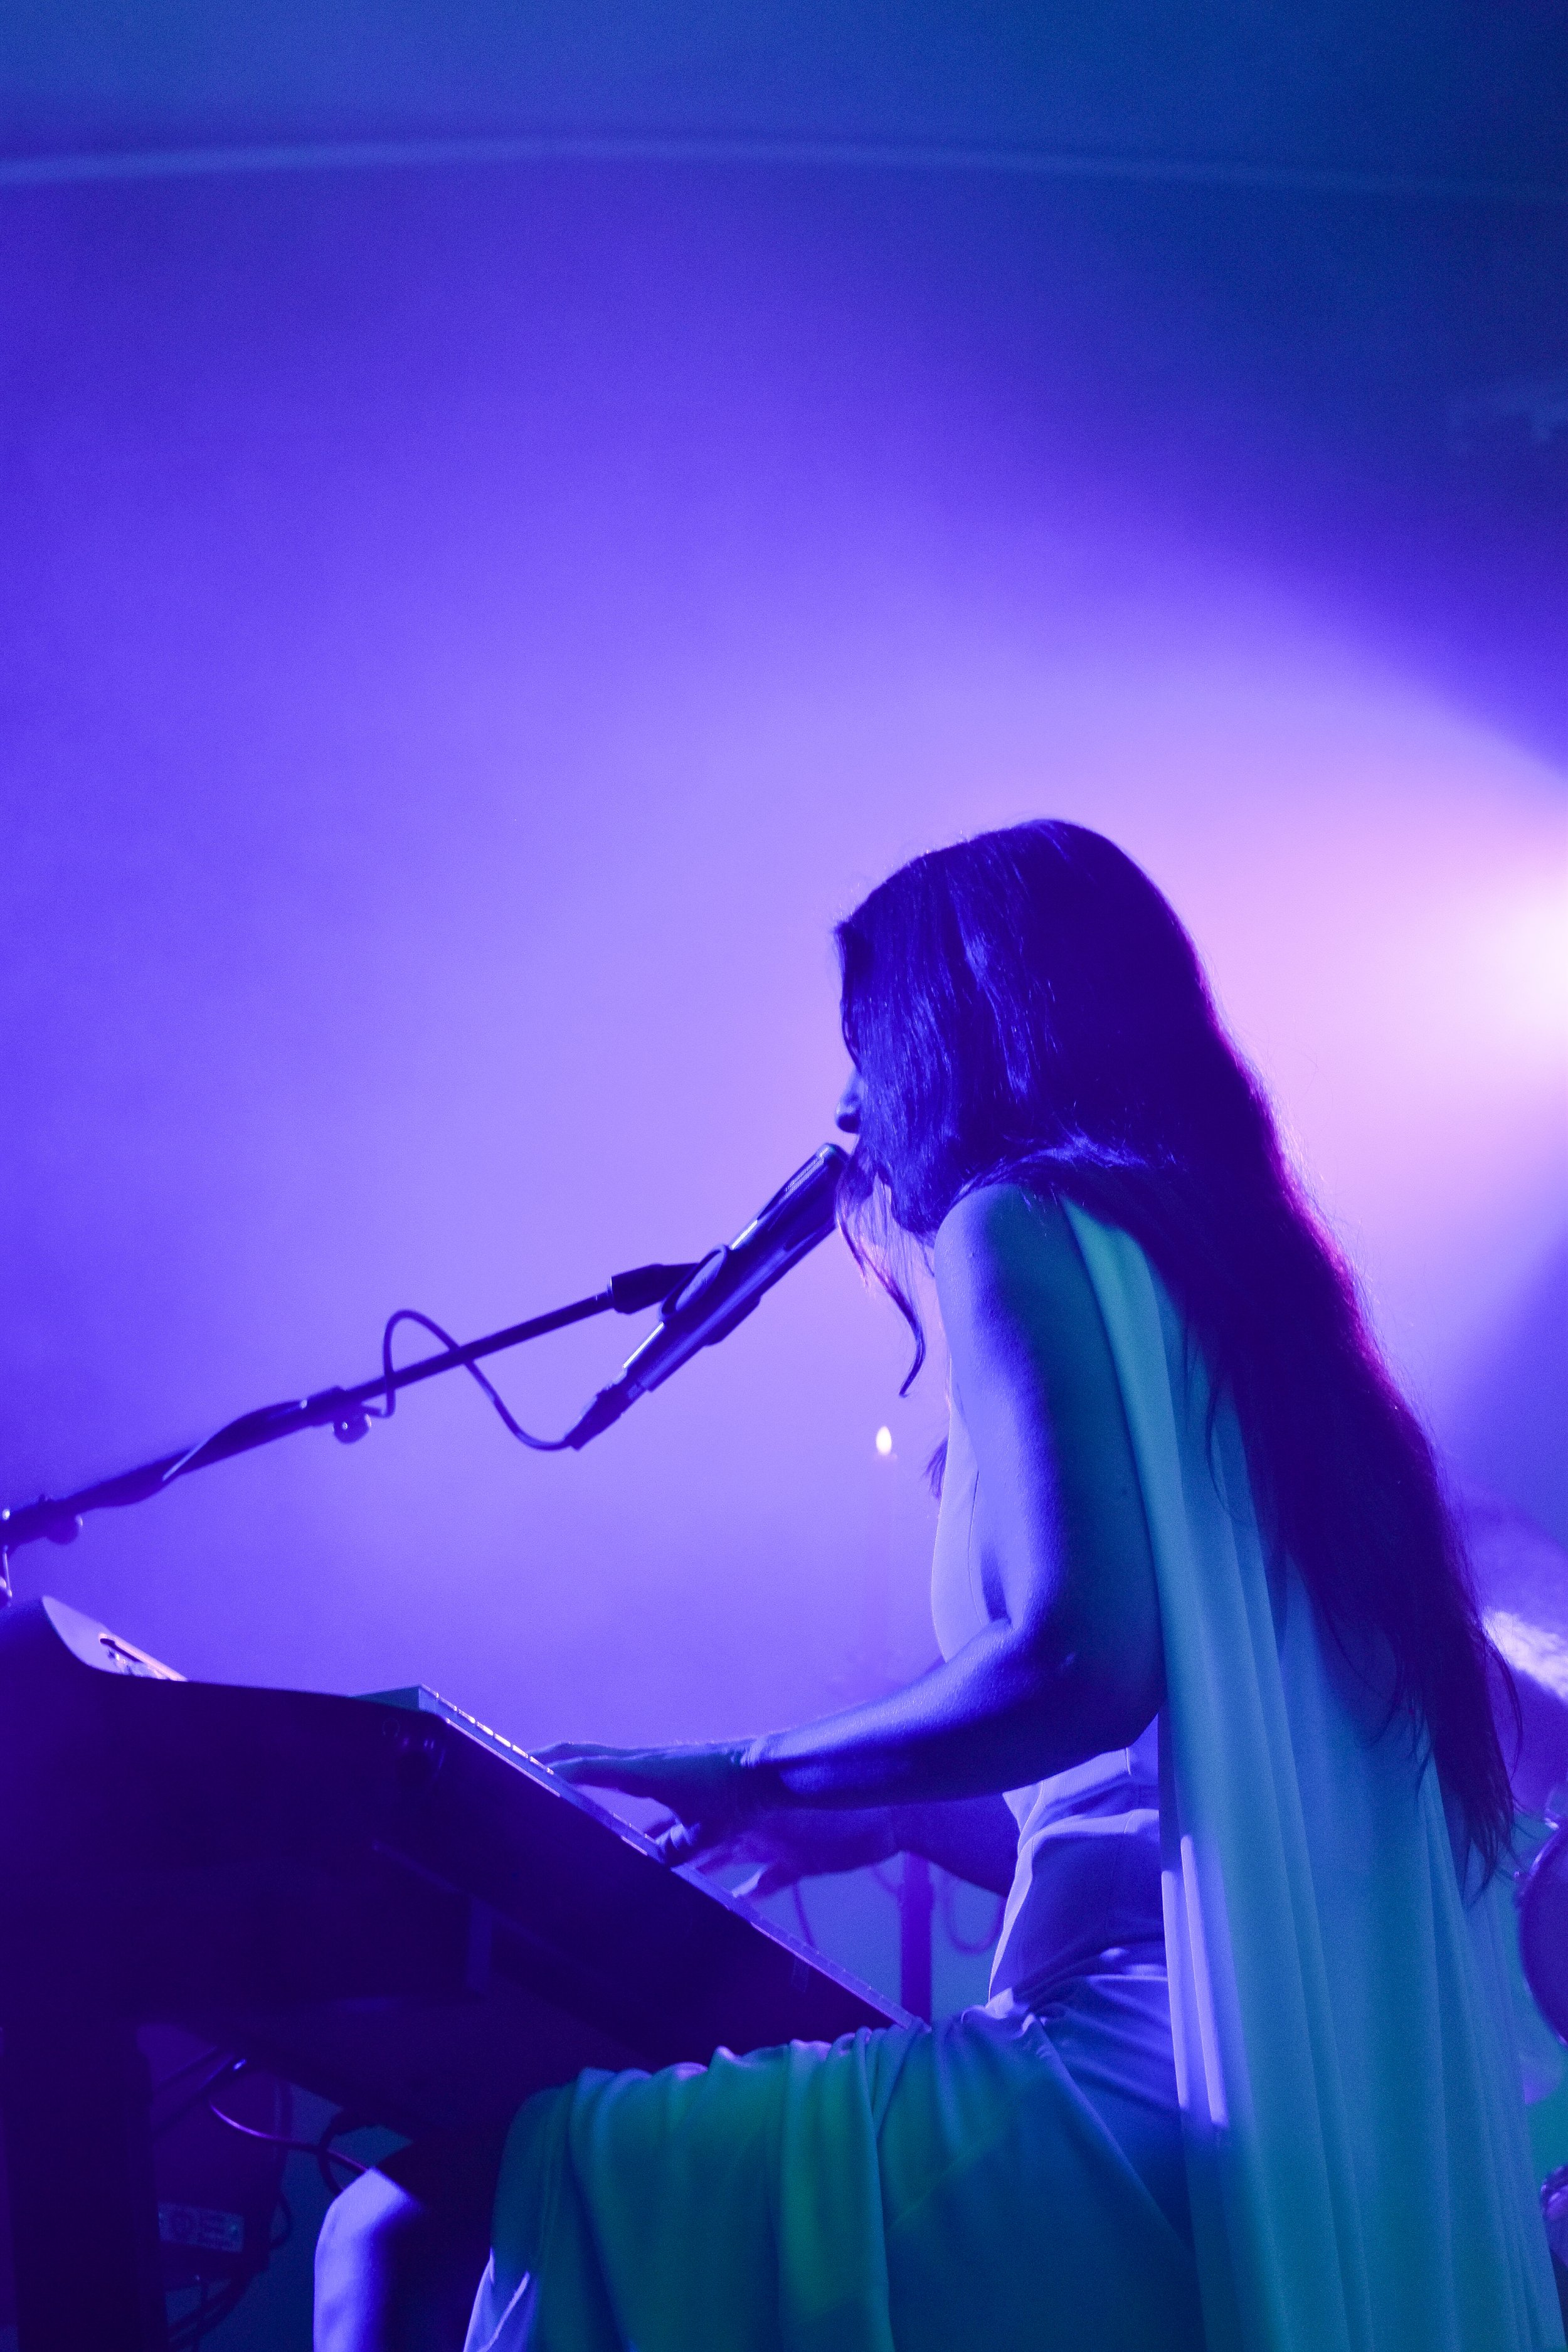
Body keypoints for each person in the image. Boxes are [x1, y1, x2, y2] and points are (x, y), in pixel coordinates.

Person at [316, 821, 1560, 2352]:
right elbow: (1182, 1783)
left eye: (857, 1046)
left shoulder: (1016, 1225)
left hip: (1115, 2111)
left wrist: (743, 1763)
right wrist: (895, 1808)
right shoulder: (1271, 1336)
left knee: (409, 2231)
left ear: (939, 1032)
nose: (841, 1107)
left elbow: (1074, 1671)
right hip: (1300, 2143)